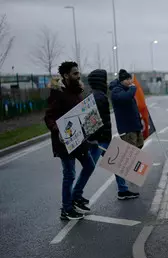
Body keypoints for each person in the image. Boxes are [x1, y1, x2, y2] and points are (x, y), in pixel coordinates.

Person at [44, 61, 95, 220]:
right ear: (66, 75)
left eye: (78, 72)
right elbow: (48, 117)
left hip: (79, 139)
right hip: (64, 142)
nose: (78, 75)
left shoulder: (77, 91)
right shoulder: (58, 92)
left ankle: (76, 197)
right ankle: (66, 209)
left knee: (89, 165)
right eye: (74, 73)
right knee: (70, 174)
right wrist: (56, 130)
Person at [87, 69, 139, 200]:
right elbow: (91, 120)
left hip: (104, 138)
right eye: (104, 79)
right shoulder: (98, 97)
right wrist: (92, 138)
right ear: (100, 81)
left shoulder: (101, 95)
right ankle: (75, 196)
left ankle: (123, 190)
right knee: (87, 168)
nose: (106, 82)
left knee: (117, 163)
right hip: (98, 140)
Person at [109, 69, 144, 150]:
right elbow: (125, 97)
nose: (129, 81)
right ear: (121, 81)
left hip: (135, 127)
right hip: (127, 129)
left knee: (139, 146)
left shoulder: (127, 90)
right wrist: (132, 89)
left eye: (130, 79)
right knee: (132, 152)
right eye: (127, 79)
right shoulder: (116, 91)